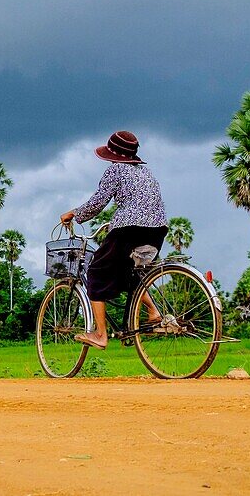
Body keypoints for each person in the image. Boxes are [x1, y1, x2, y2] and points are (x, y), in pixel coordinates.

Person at [60, 130, 168, 349]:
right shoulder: (147, 173)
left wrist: (74, 213)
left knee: (97, 271)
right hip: (157, 230)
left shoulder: (115, 170)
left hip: (129, 229)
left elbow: (97, 203)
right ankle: (153, 310)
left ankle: (100, 334)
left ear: (114, 154)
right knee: (129, 273)